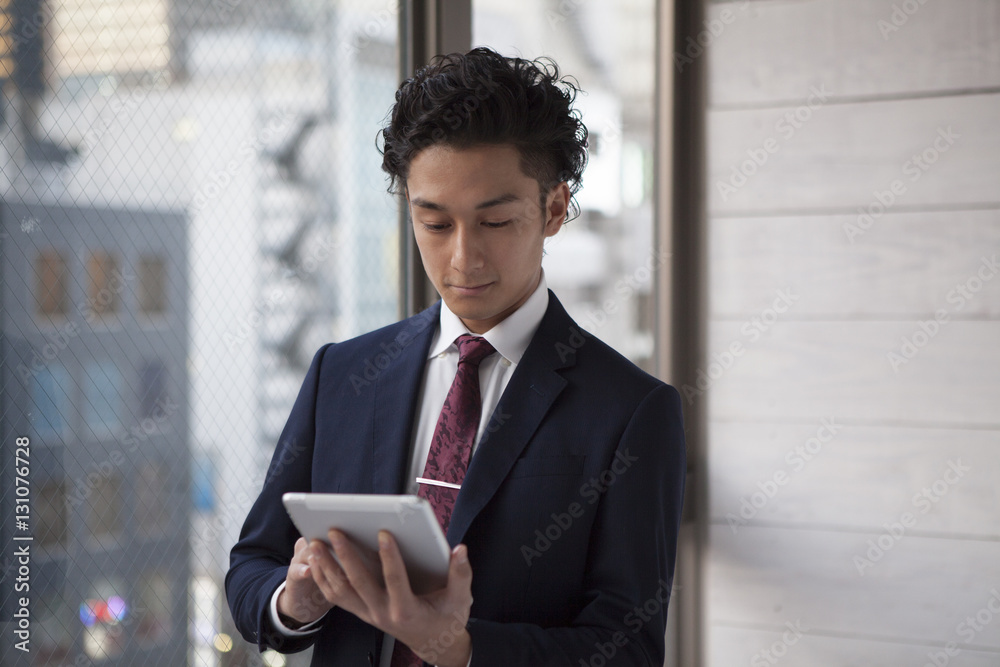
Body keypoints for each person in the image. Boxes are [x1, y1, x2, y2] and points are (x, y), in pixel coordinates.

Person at [225, 46, 686, 667]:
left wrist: (461, 650)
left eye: (494, 222)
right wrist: (294, 602)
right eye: (435, 224)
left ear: (553, 209)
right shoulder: (342, 374)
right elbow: (252, 561)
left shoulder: (630, 411)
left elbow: (628, 649)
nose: (463, 258)